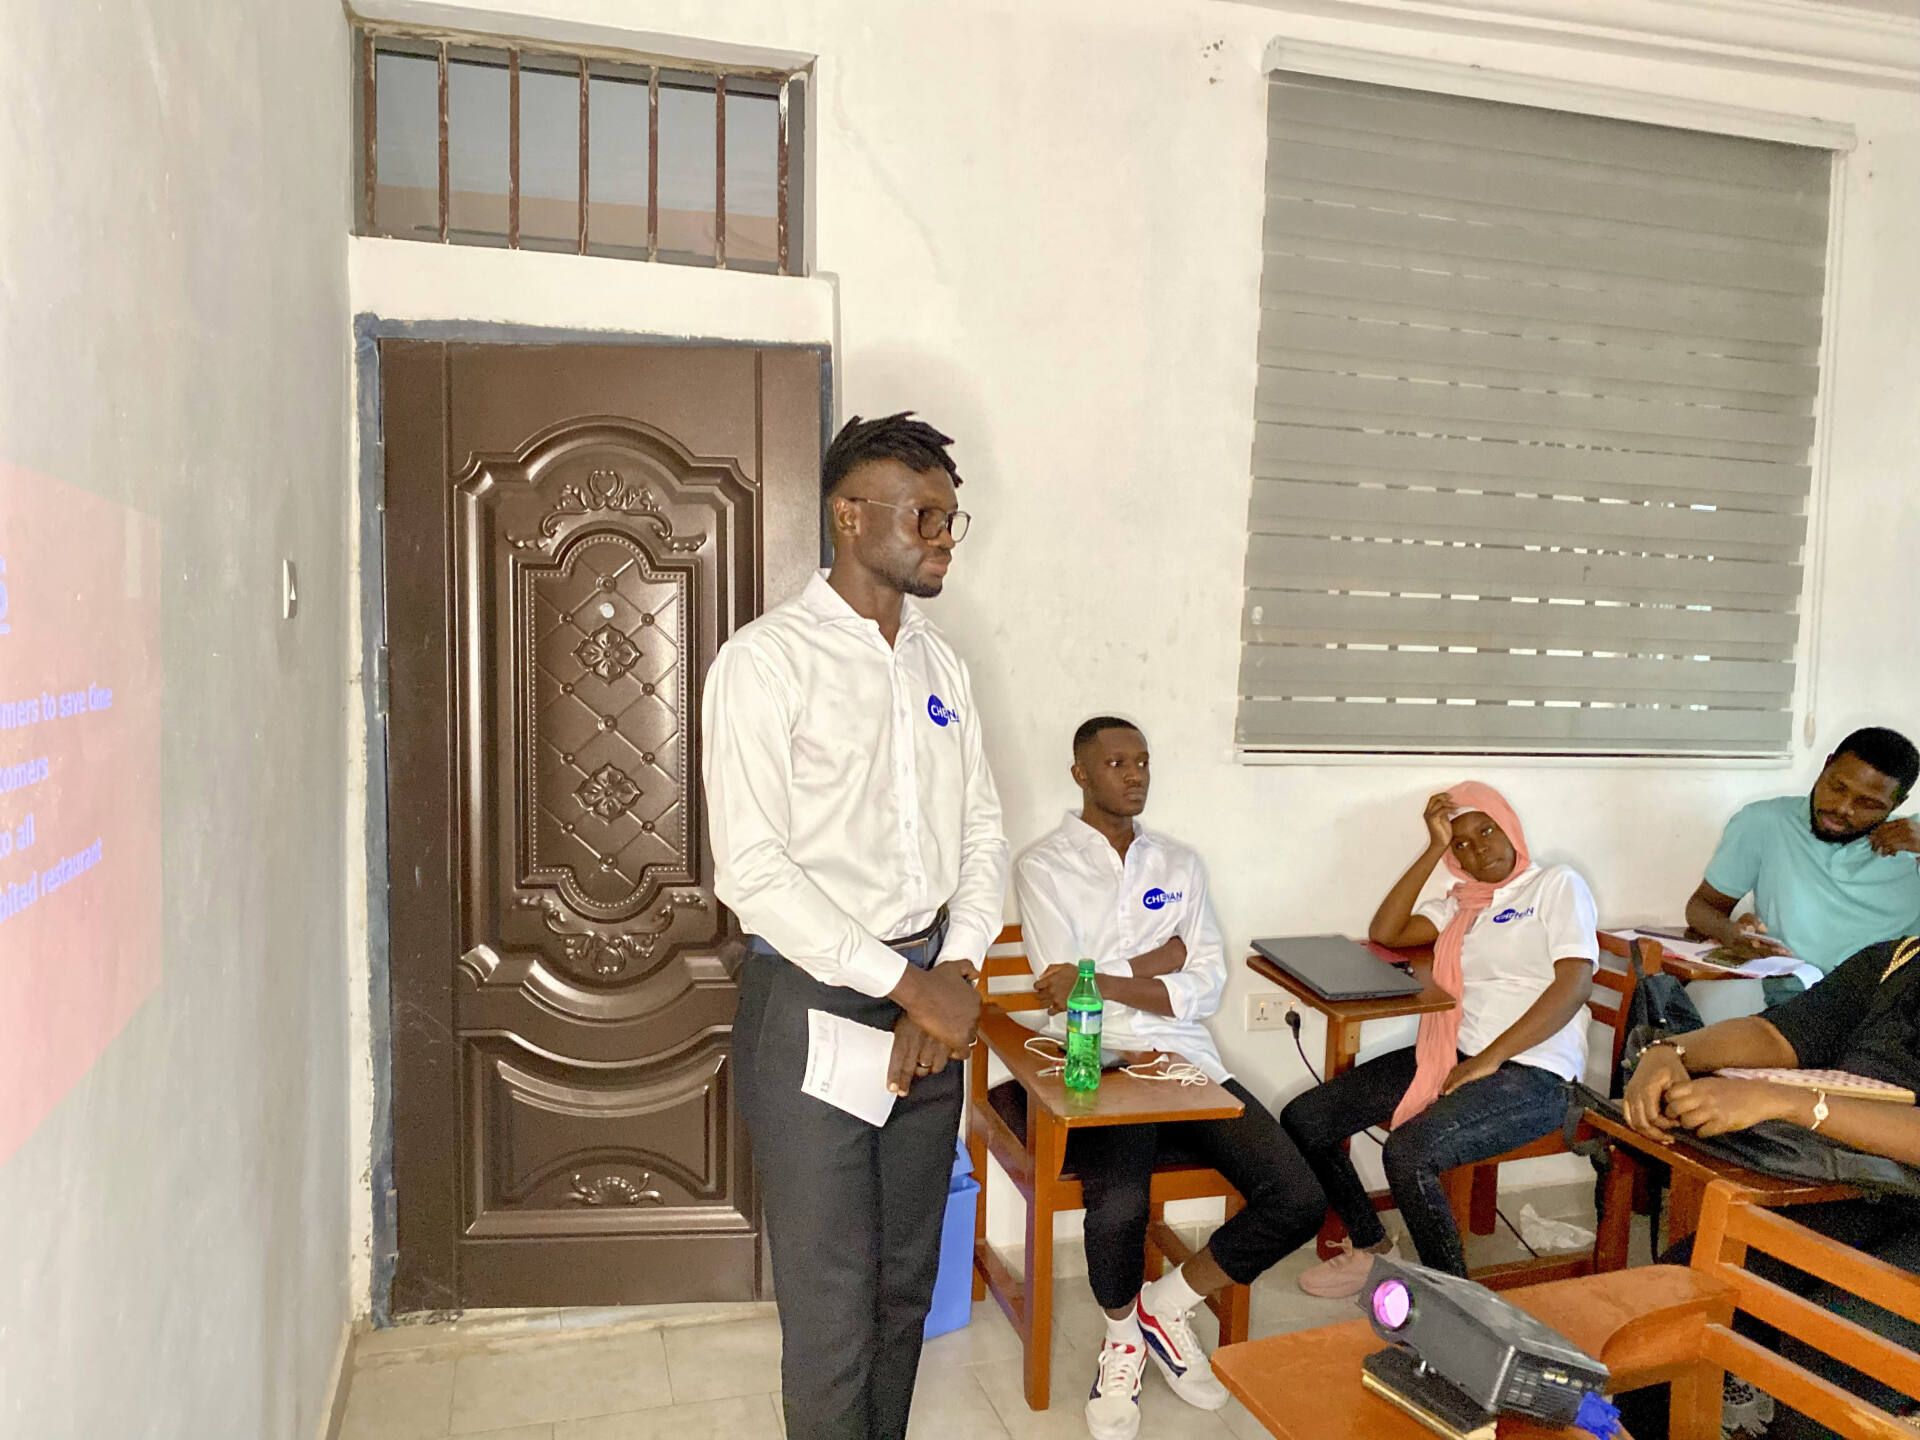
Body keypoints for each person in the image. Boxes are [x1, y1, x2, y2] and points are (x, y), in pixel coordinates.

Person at [701, 412, 1009, 1440]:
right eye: (924, 515)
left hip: (932, 999)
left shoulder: (939, 668)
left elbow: (981, 834)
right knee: (832, 1314)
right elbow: (754, 873)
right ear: (849, 514)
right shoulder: (766, 663)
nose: (942, 538)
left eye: (951, 520)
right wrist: (908, 986)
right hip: (815, 1008)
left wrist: (954, 970)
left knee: (902, 1289)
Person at [1013, 717, 1326, 1440]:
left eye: (1143, 761)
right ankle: (1121, 1337)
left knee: (1299, 1196)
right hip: (1097, 1061)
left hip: (1184, 1058)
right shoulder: (1043, 865)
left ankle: (1164, 1303)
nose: (1134, 774)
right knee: (1118, 1204)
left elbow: (1204, 984)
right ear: (1081, 774)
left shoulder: (1180, 864)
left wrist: (1111, 973)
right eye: (1116, 762)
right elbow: (1064, 993)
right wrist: (1156, 963)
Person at [1280, 784, 1599, 1295]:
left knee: (1407, 1153)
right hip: (1456, 1055)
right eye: (1462, 844)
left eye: (1486, 831)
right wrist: (1432, 847)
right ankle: (1374, 1249)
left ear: (1510, 827)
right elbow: (1386, 931)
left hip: (1538, 1074)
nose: (1477, 849)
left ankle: (1454, 1304)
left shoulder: (1556, 886)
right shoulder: (1461, 903)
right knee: (1306, 1120)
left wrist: (1490, 1059)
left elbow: (1574, 984)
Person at [1615, 934, 1920, 1439]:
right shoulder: (1899, 960)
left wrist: (1793, 1102)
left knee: (1833, 1352)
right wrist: (1669, 1051)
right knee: (1674, 1303)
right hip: (1858, 1189)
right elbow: (1775, 1035)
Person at [1683, 727, 1920, 1013]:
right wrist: (1731, 934)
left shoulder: (1912, 843)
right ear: (1827, 764)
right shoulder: (1764, 823)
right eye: (1837, 787)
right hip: (1797, 1007)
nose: (1844, 808)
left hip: (1894, 1013)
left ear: (1897, 804)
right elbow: (1701, 907)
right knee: (1678, 1049)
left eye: (1868, 804)